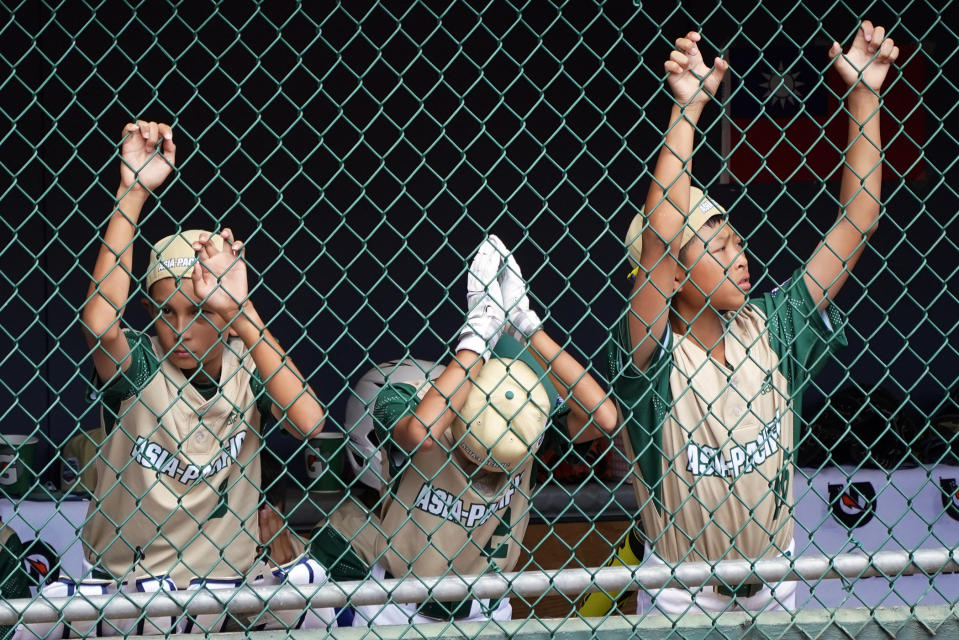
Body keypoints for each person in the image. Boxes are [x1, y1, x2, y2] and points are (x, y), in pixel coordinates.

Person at [608, 21, 898, 616]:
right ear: (675, 279)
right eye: (715, 248)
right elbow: (661, 243)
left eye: (736, 241)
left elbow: (857, 222)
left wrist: (865, 95)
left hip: (778, 585)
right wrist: (686, 110)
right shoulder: (651, 353)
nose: (739, 256)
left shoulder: (772, 324)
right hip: (683, 598)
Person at [26, 120, 330, 637]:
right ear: (150, 310)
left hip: (227, 583)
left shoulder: (244, 357)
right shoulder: (143, 363)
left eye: (201, 312)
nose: (183, 330)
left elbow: (309, 421)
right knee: (152, 615)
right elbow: (100, 325)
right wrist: (134, 189)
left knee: (314, 589)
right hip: (136, 588)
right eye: (168, 312)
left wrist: (241, 311)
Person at [348, 236, 618, 626]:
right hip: (400, 604)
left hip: (488, 608)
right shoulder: (423, 403)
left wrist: (524, 326)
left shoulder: (523, 431)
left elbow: (604, 417)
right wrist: (479, 334)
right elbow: (422, 431)